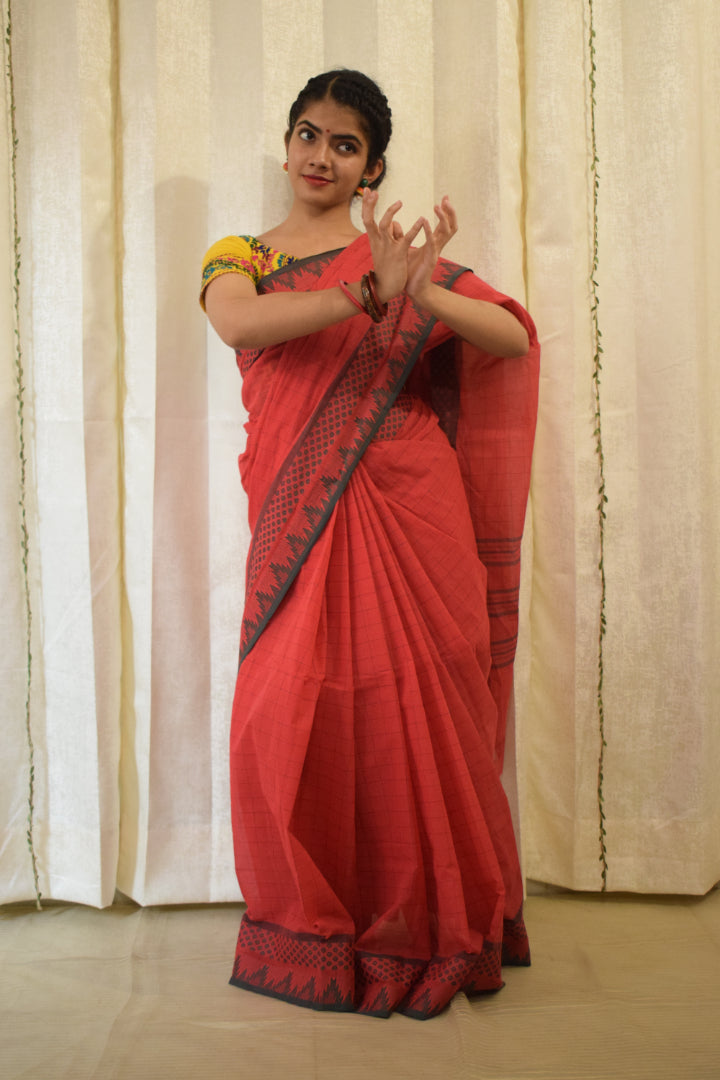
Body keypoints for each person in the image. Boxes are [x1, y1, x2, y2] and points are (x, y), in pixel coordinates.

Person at [200, 69, 539, 1020]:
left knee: (422, 704)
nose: (320, 154)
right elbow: (238, 320)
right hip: (300, 520)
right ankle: (317, 920)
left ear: (372, 168)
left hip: (410, 505)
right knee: (290, 707)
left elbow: (510, 339)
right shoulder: (244, 255)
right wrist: (366, 296)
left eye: (344, 144)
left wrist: (420, 288)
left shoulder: (392, 258)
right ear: (286, 145)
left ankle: (436, 921)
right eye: (308, 134)